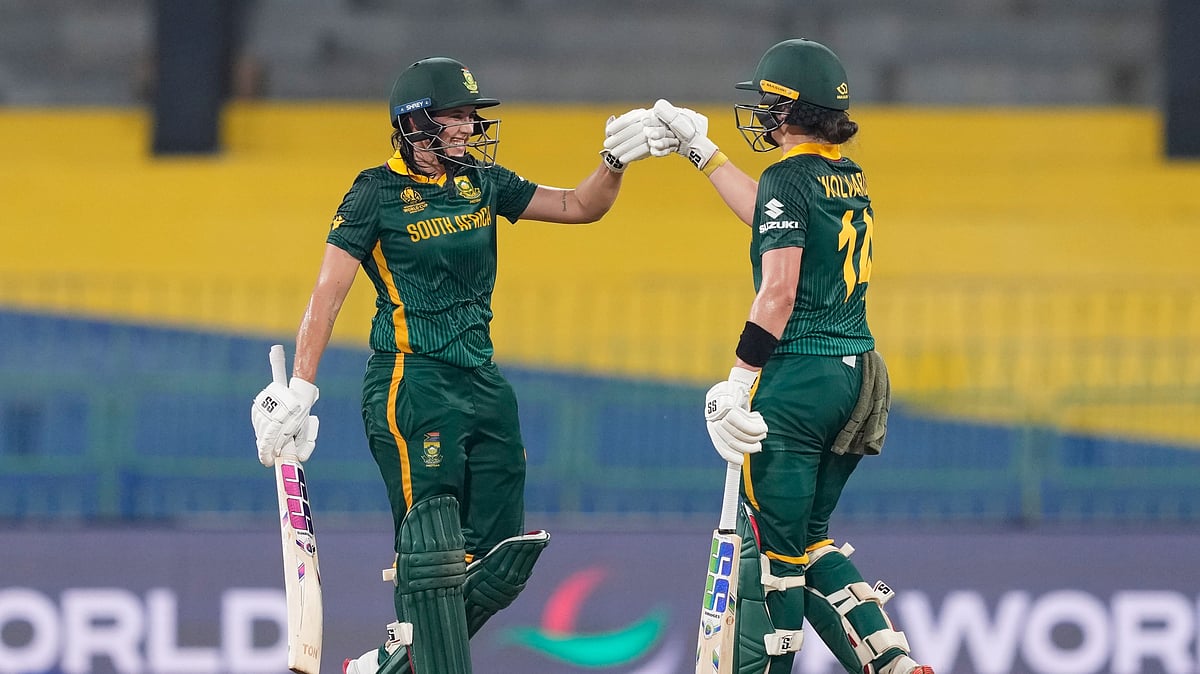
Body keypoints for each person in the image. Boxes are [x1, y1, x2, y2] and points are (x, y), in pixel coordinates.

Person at [250, 56, 663, 674]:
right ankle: (413, 654)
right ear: (416, 124)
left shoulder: (483, 181)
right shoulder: (374, 193)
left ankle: (396, 658)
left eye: (473, 118)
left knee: (501, 559)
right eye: (458, 117)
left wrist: (614, 163)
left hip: (483, 380)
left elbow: (580, 206)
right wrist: (302, 387)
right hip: (412, 378)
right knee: (432, 551)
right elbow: (328, 292)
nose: (471, 128)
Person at [614, 39, 935, 674]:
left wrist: (740, 376)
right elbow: (770, 214)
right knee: (809, 537)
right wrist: (702, 155)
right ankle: (892, 663)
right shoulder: (843, 172)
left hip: (801, 378)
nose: (760, 111)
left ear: (790, 108)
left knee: (773, 553)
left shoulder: (790, 177)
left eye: (768, 101)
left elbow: (780, 288)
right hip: (860, 371)